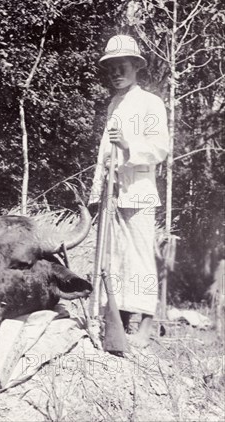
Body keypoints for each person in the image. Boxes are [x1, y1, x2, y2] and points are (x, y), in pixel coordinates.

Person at [89, 35, 169, 348]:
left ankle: (146, 325)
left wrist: (127, 146)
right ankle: (117, 322)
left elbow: (160, 148)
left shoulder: (151, 102)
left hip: (138, 189)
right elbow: (104, 153)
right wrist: (99, 189)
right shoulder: (114, 104)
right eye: (111, 67)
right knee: (115, 256)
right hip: (113, 191)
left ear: (136, 66)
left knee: (139, 256)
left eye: (123, 65)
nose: (116, 72)